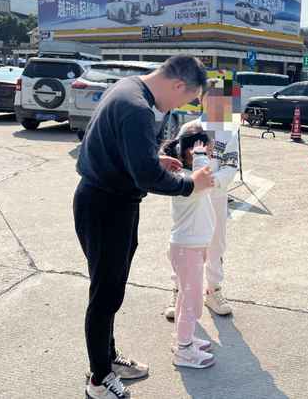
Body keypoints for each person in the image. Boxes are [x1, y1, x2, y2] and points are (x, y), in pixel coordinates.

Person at [74, 55, 215, 399]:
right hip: (107, 207)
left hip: (106, 201)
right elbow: (147, 177)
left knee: (109, 290)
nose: (178, 107)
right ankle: (99, 380)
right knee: (106, 295)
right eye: (185, 99)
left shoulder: (128, 88)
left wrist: (152, 158)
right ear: (178, 85)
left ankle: (106, 358)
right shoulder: (138, 108)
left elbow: (125, 152)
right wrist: (190, 184)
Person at [164, 74, 239, 320]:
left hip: (215, 197)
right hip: (188, 196)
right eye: (211, 98)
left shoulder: (229, 133)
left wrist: (212, 182)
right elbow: (176, 162)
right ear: (202, 100)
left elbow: (230, 167)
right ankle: (178, 290)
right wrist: (190, 182)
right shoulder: (189, 128)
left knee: (216, 243)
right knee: (183, 242)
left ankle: (213, 290)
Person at [161, 126, 218, 368]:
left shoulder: (187, 177)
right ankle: (184, 350)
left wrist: (200, 156)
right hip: (187, 249)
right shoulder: (186, 182)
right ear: (191, 154)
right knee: (192, 301)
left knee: (186, 297)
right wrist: (201, 157)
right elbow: (206, 177)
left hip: (191, 247)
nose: (210, 158)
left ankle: (184, 339)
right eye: (207, 153)